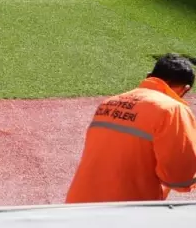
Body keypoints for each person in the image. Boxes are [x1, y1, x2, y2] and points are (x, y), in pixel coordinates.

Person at [66, 54, 196, 204]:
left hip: (78, 204)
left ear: (149, 76)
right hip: (127, 209)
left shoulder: (109, 102)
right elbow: (180, 179)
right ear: (186, 89)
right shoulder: (172, 109)